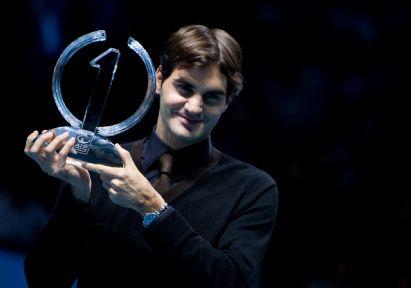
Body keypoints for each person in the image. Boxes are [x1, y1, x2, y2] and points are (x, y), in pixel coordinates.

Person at [23, 24, 278, 287]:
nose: (194, 106)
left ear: (228, 102)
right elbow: (44, 278)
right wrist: (76, 197)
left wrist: (152, 207)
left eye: (212, 97)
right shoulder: (99, 164)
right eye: (184, 88)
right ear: (158, 80)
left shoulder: (251, 188)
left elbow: (233, 281)